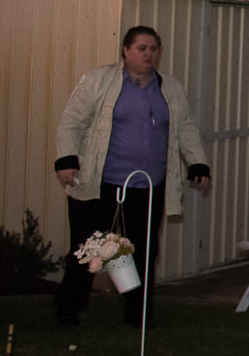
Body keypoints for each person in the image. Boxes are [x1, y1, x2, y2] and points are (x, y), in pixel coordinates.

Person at [53, 26, 211, 326]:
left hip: (147, 184)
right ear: (126, 50)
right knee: (88, 247)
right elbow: (71, 121)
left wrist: (198, 164)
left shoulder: (170, 88)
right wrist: (66, 160)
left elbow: (186, 127)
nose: (148, 54)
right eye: (141, 48)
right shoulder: (99, 81)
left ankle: (138, 314)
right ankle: (69, 308)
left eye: (153, 48)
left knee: (144, 250)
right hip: (101, 182)